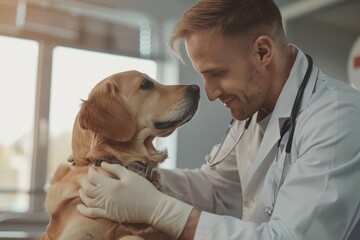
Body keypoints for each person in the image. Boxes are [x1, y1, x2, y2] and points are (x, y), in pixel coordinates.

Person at [77, 0, 360, 239]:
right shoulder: (252, 114)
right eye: (203, 76)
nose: (210, 94)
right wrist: (134, 177)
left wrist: (157, 209)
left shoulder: (336, 118)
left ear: (262, 52)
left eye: (217, 73)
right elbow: (214, 189)